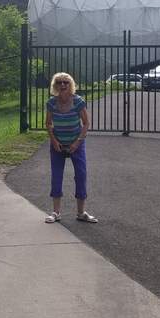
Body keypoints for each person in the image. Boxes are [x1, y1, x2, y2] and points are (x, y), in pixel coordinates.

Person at [44, 72, 97, 224]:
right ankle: (56, 212)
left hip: (76, 144)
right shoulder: (52, 103)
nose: (62, 85)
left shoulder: (78, 101)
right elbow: (48, 123)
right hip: (58, 144)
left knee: (81, 175)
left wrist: (77, 142)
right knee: (56, 176)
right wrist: (53, 140)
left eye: (66, 82)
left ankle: (81, 212)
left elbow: (86, 123)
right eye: (59, 82)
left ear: (71, 85)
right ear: (55, 85)